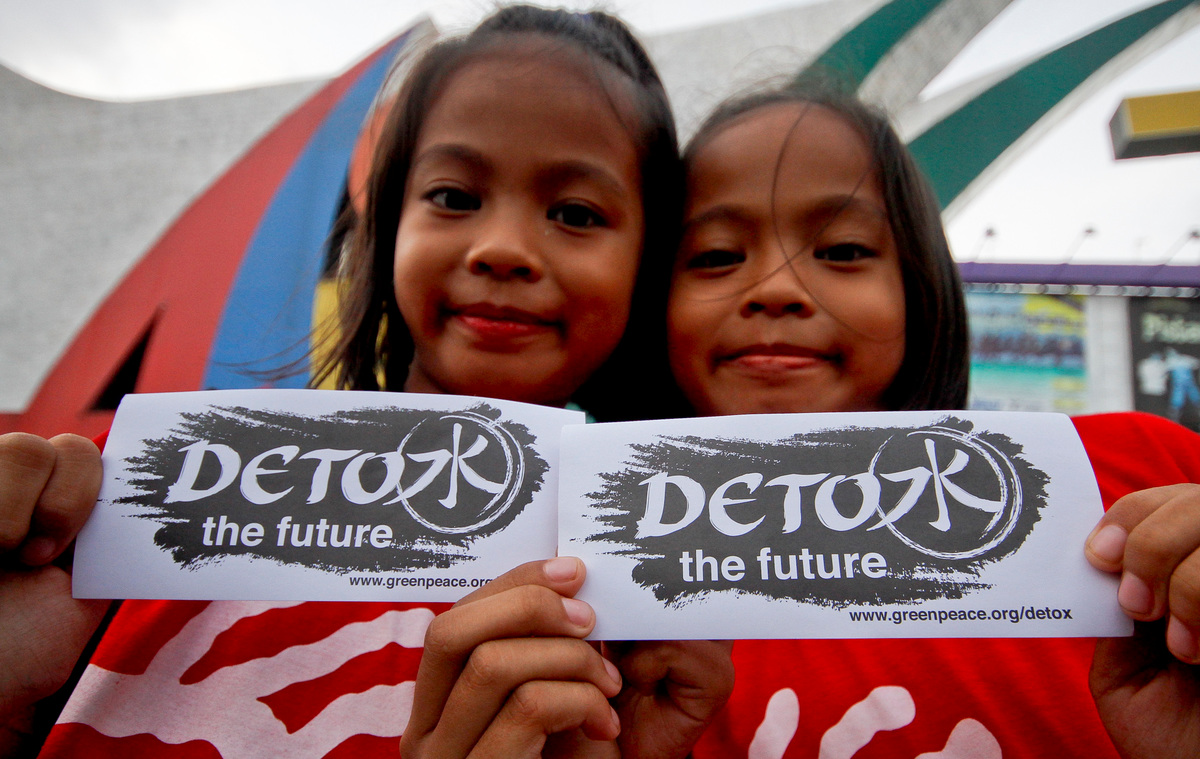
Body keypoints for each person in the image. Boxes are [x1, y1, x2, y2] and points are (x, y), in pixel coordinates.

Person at [2, 7, 730, 757]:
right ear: (385, 225)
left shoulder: (661, 640)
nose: (502, 248)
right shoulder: (121, 502)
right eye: (453, 196)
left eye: (575, 212)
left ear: (648, 263)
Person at [664, 80, 1200, 758]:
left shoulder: (1141, 479)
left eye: (844, 250)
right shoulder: (610, 615)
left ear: (918, 283)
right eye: (715, 255)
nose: (776, 288)